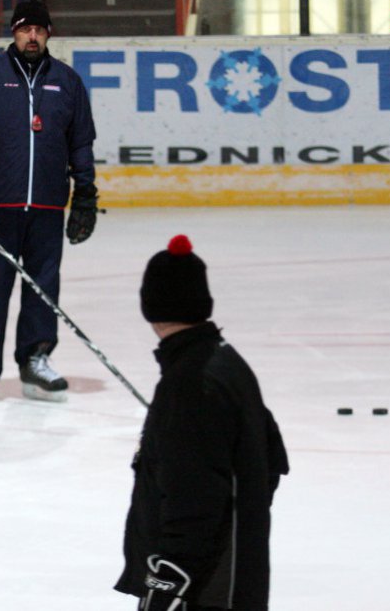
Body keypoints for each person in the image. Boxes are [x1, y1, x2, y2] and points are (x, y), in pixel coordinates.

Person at [116, 235, 290, 610]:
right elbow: (271, 461)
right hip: (229, 573)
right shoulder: (223, 362)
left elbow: (193, 498)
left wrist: (170, 582)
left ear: (150, 305)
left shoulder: (191, 384)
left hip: (203, 586)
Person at [0, 0, 99, 405]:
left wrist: (84, 196)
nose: (32, 36)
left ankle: (35, 360)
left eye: (39, 29)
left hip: (48, 206)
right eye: (25, 29)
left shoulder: (67, 82)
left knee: (43, 290)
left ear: (49, 34)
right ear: (13, 32)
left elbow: (80, 142)